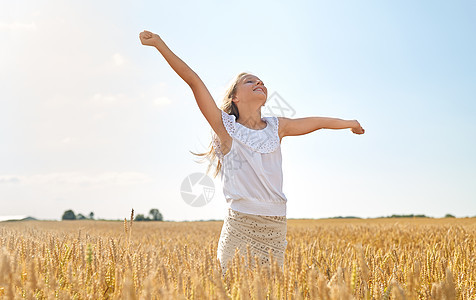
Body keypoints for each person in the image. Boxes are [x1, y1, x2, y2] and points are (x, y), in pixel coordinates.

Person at [139, 30, 365, 275]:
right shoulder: (225, 127)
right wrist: (160, 45)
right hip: (240, 226)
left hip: (275, 228)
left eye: (262, 82)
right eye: (250, 81)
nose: (260, 83)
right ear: (235, 97)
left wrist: (350, 122)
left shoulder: (278, 127)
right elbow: (193, 81)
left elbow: (318, 122)